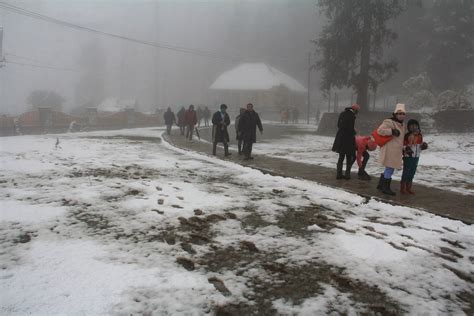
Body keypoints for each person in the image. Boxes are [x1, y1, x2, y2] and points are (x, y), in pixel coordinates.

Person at [376, 103, 406, 195]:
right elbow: (379, 131)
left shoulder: (402, 124)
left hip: (396, 151)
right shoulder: (389, 121)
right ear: (395, 114)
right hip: (389, 150)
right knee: (390, 168)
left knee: (389, 168)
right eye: (399, 113)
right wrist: (391, 131)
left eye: (403, 113)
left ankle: (381, 185)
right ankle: (386, 188)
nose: (401, 115)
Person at [332, 104, 359, 179]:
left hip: (340, 137)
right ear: (355, 110)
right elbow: (350, 128)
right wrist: (354, 131)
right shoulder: (352, 116)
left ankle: (339, 174)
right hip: (348, 139)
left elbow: (339, 125)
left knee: (341, 156)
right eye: (357, 110)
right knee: (349, 156)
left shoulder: (342, 113)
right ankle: (347, 175)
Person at [401, 119, 428, 194]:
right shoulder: (407, 136)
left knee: (412, 172)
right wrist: (406, 148)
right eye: (411, 126)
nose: (413, 127)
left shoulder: (420, 135)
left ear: (418, 126)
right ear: (409, 127)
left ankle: (409, 188)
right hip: (408, 156)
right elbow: (402, 145)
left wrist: (423, 146)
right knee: (406, 172)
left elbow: (419, 145)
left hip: (416, 156)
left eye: (415, 125)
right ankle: (403, 188)